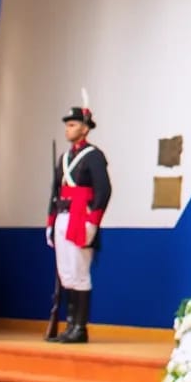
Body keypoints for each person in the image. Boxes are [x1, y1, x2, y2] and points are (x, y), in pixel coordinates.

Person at [45, 99, 111, 344]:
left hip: (80, 219)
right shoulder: (64, 158)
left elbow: (103, 190)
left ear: (85, 128)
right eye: (67, 125)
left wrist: (92, 222)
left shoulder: (94, 156)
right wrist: (50, 223)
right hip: (63, 217)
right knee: (66, 273)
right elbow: (55, 192)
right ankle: (69, 324)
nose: (68, 129)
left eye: (72, 125)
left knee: (79, 272)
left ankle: (80, 328)